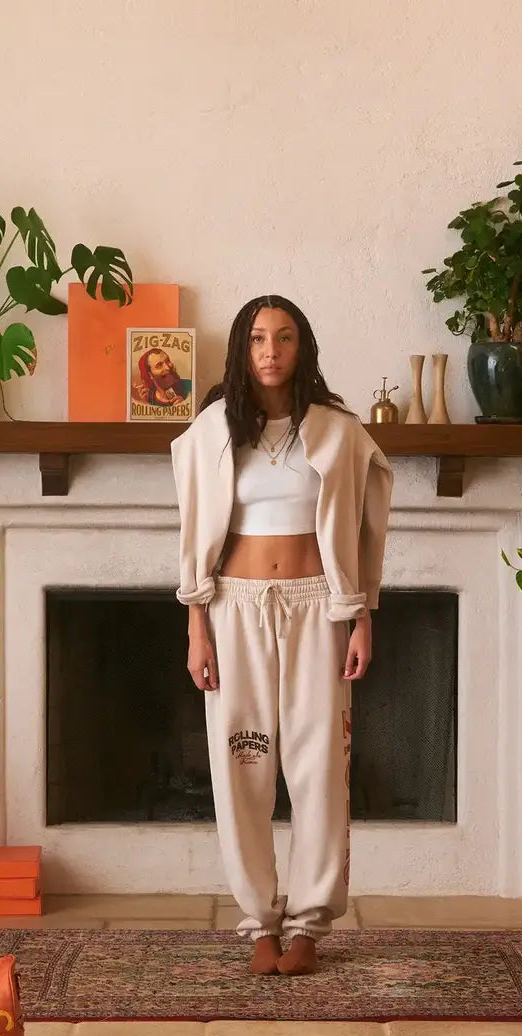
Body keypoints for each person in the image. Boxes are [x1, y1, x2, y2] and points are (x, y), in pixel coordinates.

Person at [171, 295, 392, 976]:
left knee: (319, 764)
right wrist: (196, 628)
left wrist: (361, 614)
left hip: (316, 611)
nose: (271, 351)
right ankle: (258, 920)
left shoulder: (337, 432)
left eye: (285, 337)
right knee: (243, 762)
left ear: (304, 348)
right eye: (259, 338)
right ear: (242, 349)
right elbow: (192, 538)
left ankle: (308, 925)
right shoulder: (211, 433)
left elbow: (364, 532)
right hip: (233, 610)